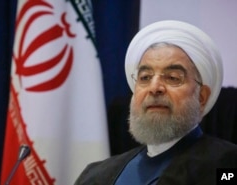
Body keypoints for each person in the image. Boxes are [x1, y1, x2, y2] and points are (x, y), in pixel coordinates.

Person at [74, 20, 237, 185]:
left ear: (201, 97)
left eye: (173, 78)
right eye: (145, 78)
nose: (154, 88)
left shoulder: (226, 165)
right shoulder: (96, 175)